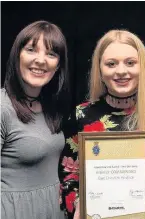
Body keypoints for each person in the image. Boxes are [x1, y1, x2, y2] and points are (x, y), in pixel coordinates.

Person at [59, 29, 145, 219]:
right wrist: (80, 205)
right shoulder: (81, 115)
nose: (121, 71)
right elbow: (68, 177)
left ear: (142, 67)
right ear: (100, 69)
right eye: (111, 64)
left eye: (130, 63)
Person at [1, 20, 70, 219]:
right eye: (31, 50)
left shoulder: (50, 108)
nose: (41, 60)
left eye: (51, 54)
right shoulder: (2, 108)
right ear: (17, 57)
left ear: (58, 66)